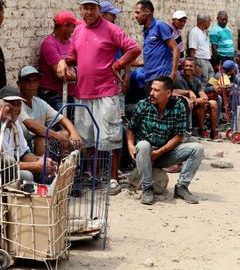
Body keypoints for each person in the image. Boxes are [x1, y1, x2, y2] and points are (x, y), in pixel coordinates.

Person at [57, 0, 141, 196]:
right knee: (88, 139)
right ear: (80, 10)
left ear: (99, 10)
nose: (88, 12)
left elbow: (134, 48)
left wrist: (118, 64)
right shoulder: (78, 30)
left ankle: (113, 179)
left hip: (106, 92)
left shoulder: (111, 29)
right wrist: (62, 61)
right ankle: (94, 175)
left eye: (92, 8)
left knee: (110, 137)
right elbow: (73, 56)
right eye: (85, 8)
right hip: (83, 92)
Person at [127, 76, 204, 205]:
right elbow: (131, 129)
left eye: (156, 90)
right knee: (143, 145)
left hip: (164, 153)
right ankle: (147, 188)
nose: (152, 93)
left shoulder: (179, 107)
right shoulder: (143, 105)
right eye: (152, 89)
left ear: (168, 93)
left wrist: (159, 152)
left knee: (197, 149)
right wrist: (130, 145)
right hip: (144, 154)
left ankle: (182, 187)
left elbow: (179, 136)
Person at [0, 86, 58, 182]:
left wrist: (41, 161)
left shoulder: (14, 122)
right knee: (27, 176)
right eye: (11, 104)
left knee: (43, 168)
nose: (15, 109)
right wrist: (35, 165)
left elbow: (23, 153)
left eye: (18, 104)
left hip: (8, 168)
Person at [17, 66, 81, 156]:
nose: (32, 85)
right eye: (28, 81)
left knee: (68, 134)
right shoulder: (16, 103)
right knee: (42, 140)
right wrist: (57, 136)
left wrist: (74, 134)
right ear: (19, 84)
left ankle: (65, 167)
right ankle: (45, 169)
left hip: (41, 140)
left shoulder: (39, 102)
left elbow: (63, 119)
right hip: (23, 145)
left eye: (35, 81)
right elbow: (31, 126)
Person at [38, 11, 81, 118]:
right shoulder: (49, 44)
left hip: (68, 93)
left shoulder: (69, 43)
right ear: (65, 26)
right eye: (73, 27)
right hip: (54, 95)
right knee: (61, 128)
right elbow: (62, 74)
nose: (73, 31)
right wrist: (84, 76)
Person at [135, 0, 180, 91]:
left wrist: (174, 72)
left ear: (147, 12)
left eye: (138, 12)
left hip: (161, 78)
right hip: (149, 78)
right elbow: (152, 55)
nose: (136, 16)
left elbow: (175, 48)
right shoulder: (145, 30)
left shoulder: (159, 26)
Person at [174, 58, 218, 140]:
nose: (188, 68)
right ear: (183, 67)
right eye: (186, 65)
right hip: (187, 106)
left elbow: (204, 96)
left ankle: (213, 131)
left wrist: (199, 100)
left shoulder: (196, 81)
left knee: (213, 103)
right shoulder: (179, 79)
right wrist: (198, 100)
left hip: (196, 104)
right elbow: (184, 97)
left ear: (194, 68)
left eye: (191, 66)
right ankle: (201, 130)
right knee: (201, 104)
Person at [188, 14, 213, 84]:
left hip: (207, 59)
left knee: (211, 76)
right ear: (202, 22)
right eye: (208, 22)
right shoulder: (194, 32)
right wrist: (193, 65)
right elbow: (192, 50)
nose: (209, 24)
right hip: (200, 59)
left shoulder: (204, 32)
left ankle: (207, 91)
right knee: (204, 78)